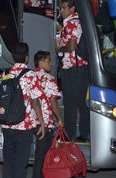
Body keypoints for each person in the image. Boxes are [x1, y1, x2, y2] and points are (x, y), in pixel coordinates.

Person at [0, 42, 45, 178]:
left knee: (9, 160)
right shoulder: (30, 75)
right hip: (24, 126)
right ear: (26, 57)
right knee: (20, 162)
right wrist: (42, 122)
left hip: (7, 124)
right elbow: (35, 101)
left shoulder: (5, 73)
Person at [29, 50, 64, 178]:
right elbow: (53, 102)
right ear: (41, 62)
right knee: (41, 158)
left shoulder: (29, 76)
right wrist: (60, 118)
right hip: (45, 123)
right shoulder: (49, 79)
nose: (51, 63)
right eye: (49, 61)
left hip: (29, 122)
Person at [56, 0, 90, 142]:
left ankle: (70, 135)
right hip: (78, 68)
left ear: (72, 8)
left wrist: (59, 49)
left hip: (74, 69)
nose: (61, 11)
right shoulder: (72, 22)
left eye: (64, 8)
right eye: (60, 8)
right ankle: (83, 134)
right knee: (79, 102)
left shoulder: (71, 23)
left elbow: (71, 46)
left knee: (71, 103)